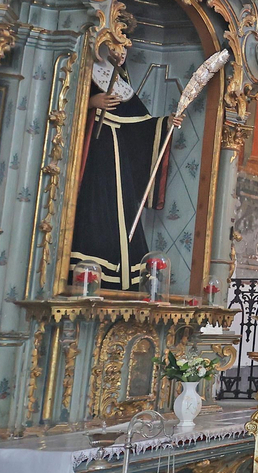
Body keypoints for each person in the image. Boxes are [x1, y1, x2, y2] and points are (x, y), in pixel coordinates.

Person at [69, 30, 184, 291]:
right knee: (96, 205)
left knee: (119, 206)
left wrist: (166, 123)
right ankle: (89, 272)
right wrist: (89, 102)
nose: (120, 49)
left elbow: (137, 122)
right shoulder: (82, 60)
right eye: (116, 42)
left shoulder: (117, 75)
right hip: (94, 150)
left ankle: (120, 277)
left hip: (117, 151)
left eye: (123, 44)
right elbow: (59, 98)